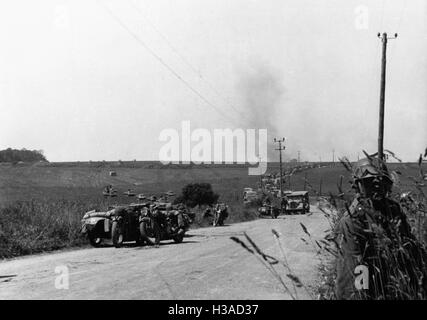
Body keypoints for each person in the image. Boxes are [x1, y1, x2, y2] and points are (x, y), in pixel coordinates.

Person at [335, 157, 427, 299]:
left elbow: (411, 248)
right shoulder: (353, 220)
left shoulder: (392, 209)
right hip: (373, 291)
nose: (377, 185)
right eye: (370, 182)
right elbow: (355, 273)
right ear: (357, 185)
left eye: (381, 180)